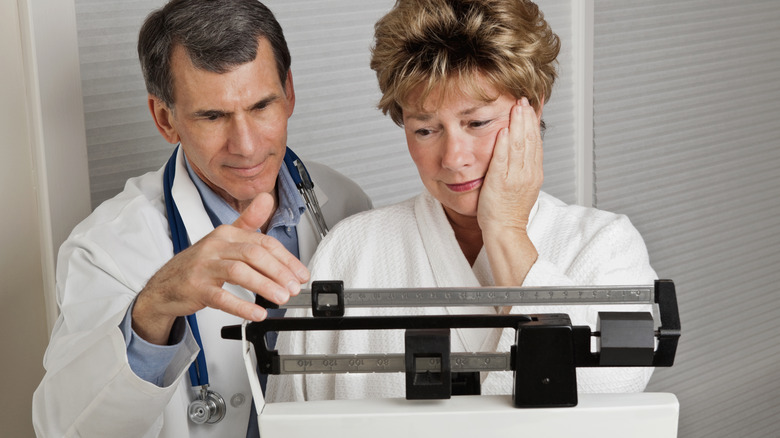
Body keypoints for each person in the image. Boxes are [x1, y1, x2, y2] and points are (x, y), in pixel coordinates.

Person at [268, 0, 656, 402]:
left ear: (534, 104)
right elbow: (288, 415)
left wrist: (505, 229)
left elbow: (608, 387)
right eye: (425, 130)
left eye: (477, 123)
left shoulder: (605, 246)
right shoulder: (349, 252)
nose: (453, 158)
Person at [32, 0, 371, 436]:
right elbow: (62, 429)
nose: (246, 146)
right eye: (213, 116)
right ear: (164, 118)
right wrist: (155, 306)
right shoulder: (107, 249)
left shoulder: (346, 205)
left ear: (289, 92)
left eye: (262, 106)